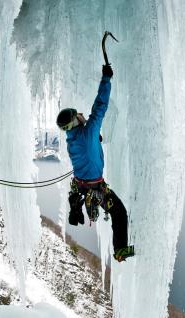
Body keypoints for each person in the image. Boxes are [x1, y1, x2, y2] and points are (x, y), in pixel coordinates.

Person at [56, 64, 134, 262]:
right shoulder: (88, 132)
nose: (80, 114)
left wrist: (94, 139)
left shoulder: (72, 139)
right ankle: (120, 251)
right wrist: (106, 79)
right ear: (74, 121)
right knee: (119, 213)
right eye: (77, 115)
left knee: (111, 209)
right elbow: (100, 107)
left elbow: (87, 146)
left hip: (82, 184)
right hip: (93, 186)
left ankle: (81, 204)